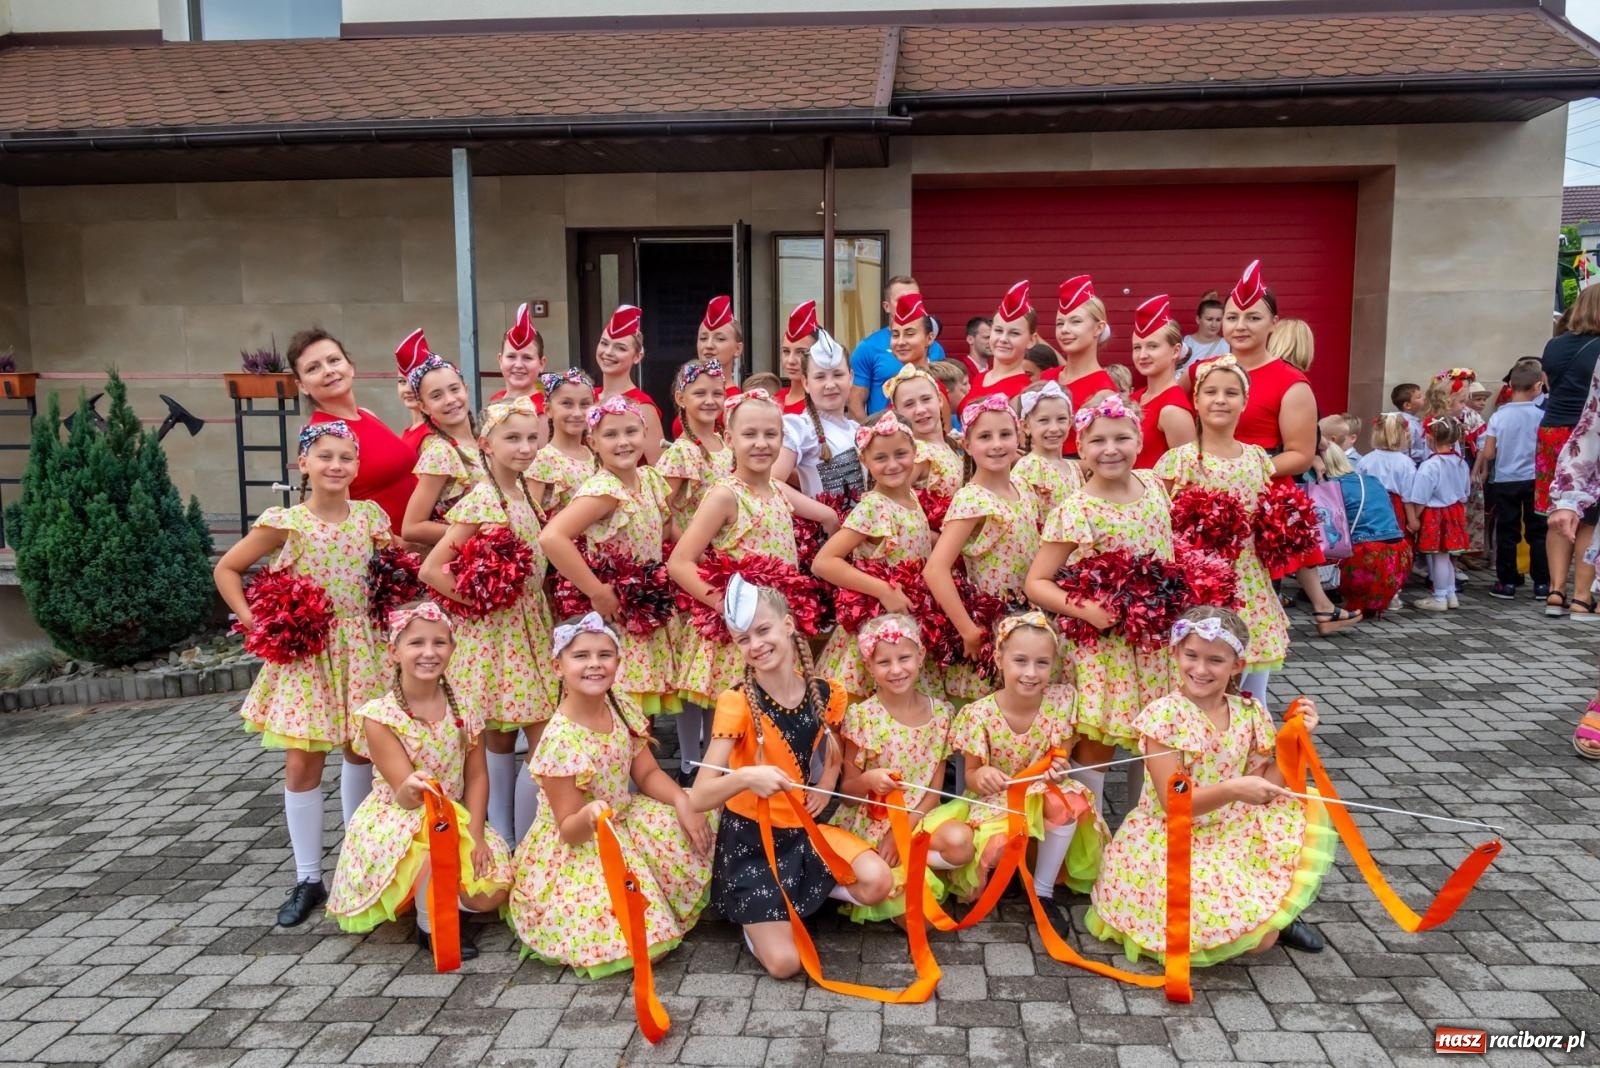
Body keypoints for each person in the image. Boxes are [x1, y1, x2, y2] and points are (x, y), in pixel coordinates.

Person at [213, 421, 387, 926]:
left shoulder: (370, 517)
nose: (336, 466)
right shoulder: (285, 522)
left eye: (346, 458)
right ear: (302, 464)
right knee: (302, 763)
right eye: (325, 457)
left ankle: (359, 863)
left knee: (363, 751)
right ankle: (308, 877)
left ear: (357, 466)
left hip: (364, 651)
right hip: (308, 654)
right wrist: (257, 622)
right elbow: (228, 568)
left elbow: (395, 564)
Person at [1086, 608, 1331, 962]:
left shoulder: (1249, 712)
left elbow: (1267, 787)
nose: (1200, 670)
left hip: (1231, 825)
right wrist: (1235, 790)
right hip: (1174, 834)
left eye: (1215, 660)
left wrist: (1293, 742)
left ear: (1236, 666)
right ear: (1175, 654)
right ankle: (1268, 919)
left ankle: (1274, 913)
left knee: (1293, 811)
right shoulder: (1165, 718)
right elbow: (1175, 803)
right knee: (1255, 938)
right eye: (1191, 656)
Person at [687, 579, 892, 978]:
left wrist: (827, 782)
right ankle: (757, 923)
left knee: (878, 882)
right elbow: (700, 796)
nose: (756, 645)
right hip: (753, 844)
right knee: (785, 965)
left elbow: (830, 748)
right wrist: (747, 776)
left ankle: (796, 896)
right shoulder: (736, 703)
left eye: (763, 631)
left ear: (788, 625)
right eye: (743, 639)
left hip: (805, 831)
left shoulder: (830, 694)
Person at [506, 613, 712, 975]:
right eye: (580, 656)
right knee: (647, 946)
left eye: (604, 655)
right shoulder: (559, 740)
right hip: (583, 841)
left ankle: (661, 891)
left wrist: (683, 799)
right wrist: (589, 814)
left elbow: (646, 772)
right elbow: (569, 829)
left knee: (700, 819)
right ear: (558, 666)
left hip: (624, 816)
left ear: (618, 662)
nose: (594, 665)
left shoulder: (620, 705)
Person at [326, 602, 512, 959]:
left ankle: (450, 894)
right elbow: (405, 794)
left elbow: (476, 776)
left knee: (491, 892)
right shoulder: (380, 717)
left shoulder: (466, 708)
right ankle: (433, 924)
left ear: (453, 648)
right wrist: (411, 788)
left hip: (453, 811)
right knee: (431, 845)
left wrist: (475, 834)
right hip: (402, 815)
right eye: (416, 644)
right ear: (394, 651)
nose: (429, 653)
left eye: (439, 643)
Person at [1025, 395, 1176, 812]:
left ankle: (1145, 827)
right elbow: (1037, 583)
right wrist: (1084, 609)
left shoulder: (1155, 489)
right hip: (1102, 652)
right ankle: (1083, 836)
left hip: (1154, 647)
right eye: (1098, 441)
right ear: (1082, 446)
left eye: (1121, 438)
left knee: (1155, 738)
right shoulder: (1077, 510)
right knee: (1098, 741)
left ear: (1140, 438)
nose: (1110, 449)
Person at [419, 398, 557, 846]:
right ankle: (508, 840)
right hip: (497, 636)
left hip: (530, 629)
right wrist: (482, 601)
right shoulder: (482, 499)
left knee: (509, 735)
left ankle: (514, 840)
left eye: (531, 438)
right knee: (533, 739)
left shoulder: (524, 495)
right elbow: (432, 569)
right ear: (486, 444)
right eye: (512, 438)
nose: (524, 448)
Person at [1205, 261, 1359, 635]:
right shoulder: (1203, 371)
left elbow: (1300, 455)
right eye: (1232, 317)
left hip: (1263, 494)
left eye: (1253, 317)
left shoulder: (1290, 382)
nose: (1240, 326)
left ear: (1274, 323)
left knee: (1253, 599)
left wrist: (1242, 471)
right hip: (1205, 496)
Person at [933, 612, 1102, 936]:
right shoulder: (978, 714)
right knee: (994, 849)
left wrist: (1057, 769)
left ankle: (1042, 892)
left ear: (1053, 664)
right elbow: (970, 776)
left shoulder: (1061, 701)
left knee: (1067, 799)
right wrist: (981, 775)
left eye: (1041, 663)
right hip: (995, 801)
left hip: (1041, 794)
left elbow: (1059, 759)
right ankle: (1008, 872)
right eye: (1020, 661)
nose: (1030, 672)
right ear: (999, 658)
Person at [668, 392, 839, 708]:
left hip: (777, 625)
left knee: (779, 711)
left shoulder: (777, 488)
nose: (761, 443)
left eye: (770, 434)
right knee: (742, 716)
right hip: (743, 633)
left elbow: (826, 515)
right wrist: (729, 607)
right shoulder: (725, 495)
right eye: (750, 434)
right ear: (730, 439)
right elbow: (680, 562)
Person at [1154, 356, 1290, 709]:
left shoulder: (1257, 457)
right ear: (1196, 402)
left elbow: (1264, 512)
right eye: (1210, 392)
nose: (1220, 400)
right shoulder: (1181, 459)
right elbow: (1157, 521)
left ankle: (1251, 748)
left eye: (1231, 393)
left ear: (1244, 403)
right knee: (1201, 676)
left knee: (1251, 683)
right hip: (1199, 585)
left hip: (1250, 581)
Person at [540, 395, 680, 718]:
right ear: (593, 442)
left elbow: (662, 528)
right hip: (616, 613)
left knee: (642, 706)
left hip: (643, 606)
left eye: (631, 432)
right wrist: (597, 591)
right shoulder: (604, 491)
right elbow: (552, 537)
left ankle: (637, 766)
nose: (623, 442)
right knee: (619, 700)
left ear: (644, 433)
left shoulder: (649, 480)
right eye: (611, 435)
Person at [830, 613, 973, 923]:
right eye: (884, 663)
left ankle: (915, 869)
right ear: (869, 666)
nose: (896, 670)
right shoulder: (862, 717)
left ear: (920, 657)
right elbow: (847, 793)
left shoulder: (942, 714)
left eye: (904, 658)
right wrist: (867, 779)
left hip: (919, 817)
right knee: (918, 920)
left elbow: (934, 792)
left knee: (962, 845)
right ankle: (896, 883)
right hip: (874, 821)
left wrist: (901, 832)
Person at [923, 395, 1039, 702]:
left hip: (1027, 616)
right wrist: (968, 629)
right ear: (967, 445)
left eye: (1005, 434)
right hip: (991, 621)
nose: (997, 444)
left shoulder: (1023, 487)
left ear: (1019, 436)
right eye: (985, 437)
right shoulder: (972, 499)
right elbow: (935, 570)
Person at [812, 414, 935, 702]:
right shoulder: (873, 507)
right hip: (879, 623)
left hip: (907, 620)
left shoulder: (912, 498)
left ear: (915, 453)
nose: (892, 465)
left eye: (901, 454)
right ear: (864, 460)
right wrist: (882, 589)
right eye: (881, 457)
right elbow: (825, 561)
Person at [292, 328, 419, 537]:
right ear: (302, 385)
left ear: (351, 367)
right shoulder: (323, 435)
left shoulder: (367, 414)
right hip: (388, 557)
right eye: (313, 368)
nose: (328, 371)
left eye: (333, 360)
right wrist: (406, 550)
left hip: (418, 548)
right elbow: (342, 521)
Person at [1542, 290, 1600, 618]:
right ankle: (1580, 596)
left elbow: (1548, 384)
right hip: (1587, 432)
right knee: (1588, 517)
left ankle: (1555, 589)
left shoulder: (1554, 344)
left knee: (1557, 511)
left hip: (1552, 430)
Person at [398, 338, 483, 548]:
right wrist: (478, 536)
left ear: (466, 389)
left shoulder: (485, 442)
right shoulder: (440, 452)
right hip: (464, 567)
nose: (450, 400)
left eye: (454, 389)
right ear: (424, 406)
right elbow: (412, 527)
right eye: (437, 396)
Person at [1477, 361, 1550, 599]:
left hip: (1506, 479)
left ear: (1510, 385)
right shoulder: (1542, 415)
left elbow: (1488, 453)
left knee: (1507, 530)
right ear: (1539, 386)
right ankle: (1541, 584)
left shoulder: (1499, 416)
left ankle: (1507, 582)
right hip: (1533, 479)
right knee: (1537, 531)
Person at [1322, 445, 1409, 620]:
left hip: (1367, 557)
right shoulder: (1371, 480)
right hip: (1399, 554)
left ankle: (1328, 597)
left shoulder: (1332, 487)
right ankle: (1371, 601)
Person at [778, 332, 863, 499]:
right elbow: (772, 482)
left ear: (851, 377)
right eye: (820, 377)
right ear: (806, 383)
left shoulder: (858, 430)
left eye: (838, 375)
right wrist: (825, 515)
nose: (830, 385)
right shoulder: (800, 427)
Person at [848, 276, 947, 420]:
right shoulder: (868, 347)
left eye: (914, 299)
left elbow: (943, 404)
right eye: (901, 300)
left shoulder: (936, 348)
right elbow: (855, 403)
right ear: (886, 306)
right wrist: (872, 436)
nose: (908, 304)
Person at [1045, 275, 1119, 455]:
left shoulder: (1103, 392)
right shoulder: (1046, 377)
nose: (1064, 330)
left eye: (1075, 321)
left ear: (1099, 328)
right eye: (1060, 323)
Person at [1405, 416, 1471, 612]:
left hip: (1436, 514)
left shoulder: (1430, 466)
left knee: (1439, 557)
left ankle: (1440, 596)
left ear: (1430, 438)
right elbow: (1466, 491)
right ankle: (1450, 594)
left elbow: (1420, 496)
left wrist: (1414, 518)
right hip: (1455, 511)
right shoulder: (1461, 463)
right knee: (1447, 555)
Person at [1128, 294, 1196, 468]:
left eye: (1153, 346)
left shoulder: (1173, 409)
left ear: (1175, 351)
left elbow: (1187, 477)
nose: (1142, 355)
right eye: (1137, 347)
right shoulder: (1135, 398)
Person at [594, 305, 665, 464]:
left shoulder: (643, 406)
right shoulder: (587, 397)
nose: (608, 352)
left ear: (637, 356)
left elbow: (659, 469)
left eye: (620, 348)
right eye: (604, 343)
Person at [526, 370, 598, 517]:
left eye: (584, 404)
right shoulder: (542, 460)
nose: (577, 413)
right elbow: (531, 519)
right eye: (567, 404)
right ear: (548, 409)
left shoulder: (596, 455)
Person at [885, 363, 962, 498]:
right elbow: (891, 500)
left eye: (926, 399)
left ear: (939, 400)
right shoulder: (916, 454)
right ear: (896, 412)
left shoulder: (948, 446)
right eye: (909, 404)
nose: (920, 410)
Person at [671, 296, 746, 436]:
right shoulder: (688, 389)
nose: (708, 346)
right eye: (703, 338)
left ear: (738, 349)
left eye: (720, 339)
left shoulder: (740, 402)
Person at [962, 282, 1037, 407]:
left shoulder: (1024, 393)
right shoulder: (980, 378)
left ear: (1031, 341)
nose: (1003, 339)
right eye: (998, 330)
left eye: (1014, 333)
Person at [1013, 381, 1081, 519]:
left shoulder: (1074, 468)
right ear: (1025, 426)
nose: (1054, 428)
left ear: (1070, 421)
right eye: (1044, 420)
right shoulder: (1028, 467)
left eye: (1061, 419)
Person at [489, 302, 546, 410]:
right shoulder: (495, 401)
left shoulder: (545, 410)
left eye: (527, 357)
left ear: (541, 363)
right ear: (500, 360)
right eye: (511, 356)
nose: (519, 365)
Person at [779, 302, 819, 415]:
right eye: (786, 351)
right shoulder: (774, 399)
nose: (791, 360)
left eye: (801, 352)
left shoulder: (820, 406)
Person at [1179, 291, 1228, 372]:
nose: (1214, 324)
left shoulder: (1227, 345)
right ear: (1198, 319)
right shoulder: (1185, 343)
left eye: (1218, 320)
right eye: (1209, 319)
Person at [1392, 382, 1429, 462]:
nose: (1424, 398)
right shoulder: (1408, 425)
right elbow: (1405, 451)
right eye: (1419, 397)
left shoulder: (1414, 421)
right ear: (1407, 405)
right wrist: (1426, 454)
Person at [961, 316, 994, 381]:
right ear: (970, 339)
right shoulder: (960, 371)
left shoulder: (996, 369)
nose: (992, 342)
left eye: (993, 338)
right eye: (987, 337)